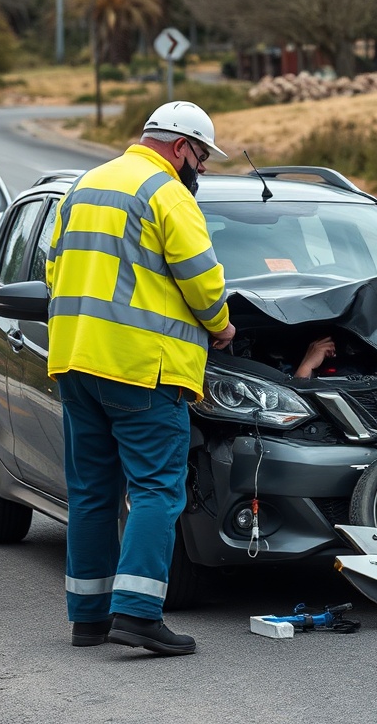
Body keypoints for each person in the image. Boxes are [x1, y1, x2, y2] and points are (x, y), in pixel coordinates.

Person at [45, 101, 235, 655]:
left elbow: (55, 269)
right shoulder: (165, 191)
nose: (200, 169)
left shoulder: (84, 186)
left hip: (77, 362)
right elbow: (202, 279)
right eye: (201, 158)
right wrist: (221, 327)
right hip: (140, 372)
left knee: (91, 494)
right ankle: (138, 613)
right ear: (181, 148)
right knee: (155, 490)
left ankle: (88, 617)